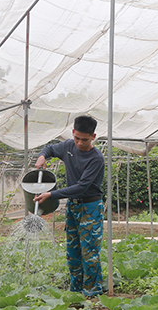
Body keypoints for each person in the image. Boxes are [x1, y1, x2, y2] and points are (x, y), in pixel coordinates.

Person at [33, 115, 105, 298]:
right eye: (77, 138)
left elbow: (82, 187)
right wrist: (42, 156)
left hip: (91, 207)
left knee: (89, 252)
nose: (80, 143)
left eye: (85, 139)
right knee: (73, 252)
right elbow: (50, 148)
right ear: (73, 133)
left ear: (93, 137)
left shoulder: (96, 158)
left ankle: (92, 293)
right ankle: (75, 291)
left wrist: (51, 194)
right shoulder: (68, 146)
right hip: (74, 207)